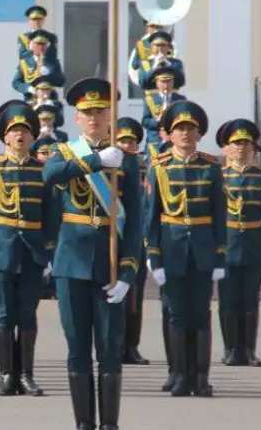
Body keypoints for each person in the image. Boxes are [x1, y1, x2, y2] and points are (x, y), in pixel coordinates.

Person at [43, 78, 143, 430]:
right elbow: (50, 175)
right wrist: (94, 161)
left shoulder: (126, 161)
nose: (95, 118)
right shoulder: (65, 153)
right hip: (72, 263)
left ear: (110, 115)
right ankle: (84, 423)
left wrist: (129, 273)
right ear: (76, 118)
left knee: (110, 348)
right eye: (87, 113)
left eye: (101, 112)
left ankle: (110, 424)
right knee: (77, 347)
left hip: (110, 265)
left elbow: (136, 223)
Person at [145, 101, 226, 398]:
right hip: (172, 250)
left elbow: (220, 215)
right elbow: (150, 217)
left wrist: (220, 255)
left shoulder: (210, 168)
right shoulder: (159, 169)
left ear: (199, 133)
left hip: (203, 250)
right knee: (177, 315)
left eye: (191, 129)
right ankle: (180, 374)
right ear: (169, 134)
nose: (186, 134)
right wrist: (154, 256)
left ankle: (201, 377)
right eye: (180, 129)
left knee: (201, 315)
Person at [0, 100, 52, 396]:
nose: (19, 136)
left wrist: (49, 252)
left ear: (33, 137)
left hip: (32, 251)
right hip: (2, 252)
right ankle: (7, 374)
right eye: (13, 131)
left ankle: (26, 375)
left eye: (24, 131)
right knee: (2, 314)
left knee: (27, 315)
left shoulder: (42, 170)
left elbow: (51, 214)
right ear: (5, 137)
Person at [213, 119, 261, 369]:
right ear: (225, 148)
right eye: (236, 143)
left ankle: (249, 350)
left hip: (253, 244)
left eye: (246, 143)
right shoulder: (219, 176)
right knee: (228, 300)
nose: (241, 148)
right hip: (227, 244)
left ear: (253, 148)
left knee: (250, 300)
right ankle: (230, 349)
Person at [112, 117, 150, 366]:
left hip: (140, 241)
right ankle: (114, 344)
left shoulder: (148, 171)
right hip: (115, 239)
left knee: (135, 297)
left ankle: (131, 346)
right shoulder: (111, 170)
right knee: (114, 297)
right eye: (122, 140)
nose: (127, 145)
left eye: (131, 141)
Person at [141, 66, 186, 151]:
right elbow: (145, 121)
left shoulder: (181, 99)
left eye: (169, 81)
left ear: (173, 82)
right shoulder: (149, 99)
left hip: (174, 142)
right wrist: (157, 120)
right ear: (157, 83)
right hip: (155, 143)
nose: (166, 85)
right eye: (163, 81)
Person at [12, 30, 65, 96]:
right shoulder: (25, 62)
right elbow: (16, 83)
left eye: (43, 44)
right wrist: (29, 88)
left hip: (49, 98)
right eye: (38, 44)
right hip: (31, 98)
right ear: (32, 45)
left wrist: (48, 75)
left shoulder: (53, 61)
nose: (41, 47)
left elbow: (61, 82)